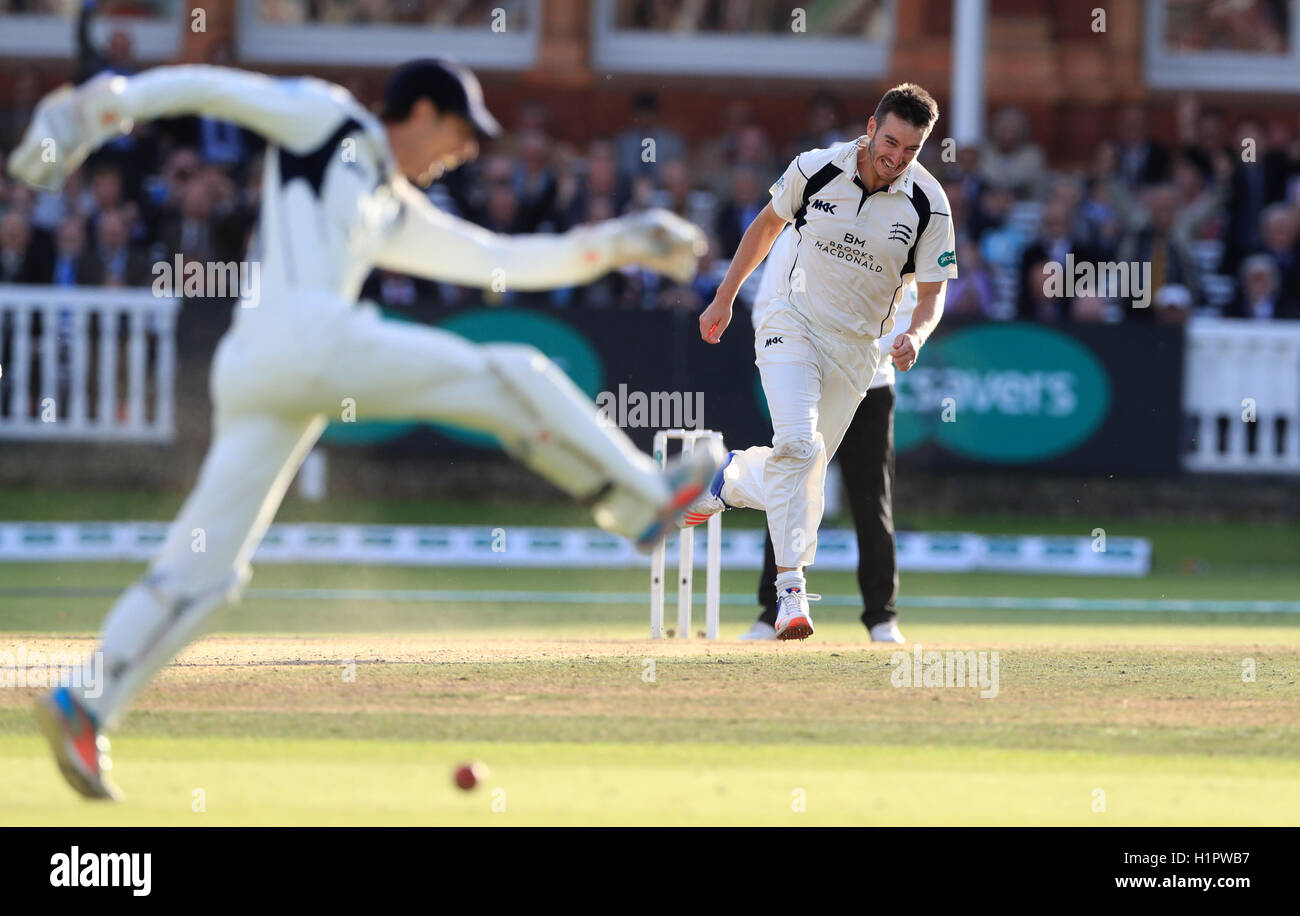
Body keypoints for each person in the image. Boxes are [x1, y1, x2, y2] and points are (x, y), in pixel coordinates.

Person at [9, 58, 721, 800]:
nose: (463, 152)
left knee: (207, 573)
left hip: (266, 370)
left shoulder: (389, 201)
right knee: (509, 373)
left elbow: (500, 260)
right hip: (301, 343)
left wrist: (622, 241)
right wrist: (109, 103)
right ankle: (642, 498)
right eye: (457, 132)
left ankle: (85, 702)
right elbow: (212, 89)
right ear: (417, 109)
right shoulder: (329, 119)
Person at [683, 83, 956, 641]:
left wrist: (918, 335)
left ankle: (730, 478)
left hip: (858, 350)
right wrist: (725, 295)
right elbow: (765, 226)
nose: (897, 158)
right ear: (871, 126)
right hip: (790, 322)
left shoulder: (930, 205)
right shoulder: (816, 168)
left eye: (912, 149)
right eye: (891, 141)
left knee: (799, 468)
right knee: (801, 449)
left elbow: (931, 294)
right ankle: (790, 595)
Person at [737, 226, 909, 642]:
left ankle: (881, 617)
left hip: (871, 383)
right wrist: (796, 354)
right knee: (790, 487)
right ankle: (772, 610)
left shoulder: (895, 229)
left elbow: (908, 309)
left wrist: (857, 353)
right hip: (808, 380)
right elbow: (767, 305)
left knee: (871, 500)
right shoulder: (800, 233)